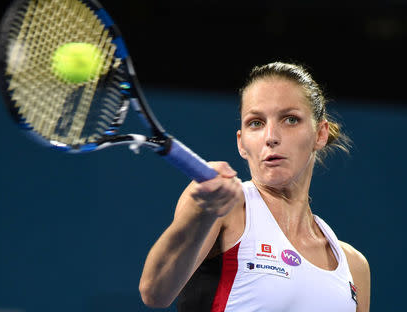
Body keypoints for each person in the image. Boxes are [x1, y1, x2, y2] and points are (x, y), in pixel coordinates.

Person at [139, 62, 371, 312]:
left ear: (320, 133)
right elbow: (155, 292)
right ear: (241, 143)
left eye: (290, 119)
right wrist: (201, 213)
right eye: (256, 123)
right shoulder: (225, 209)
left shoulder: (353, 266)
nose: (271, 136)